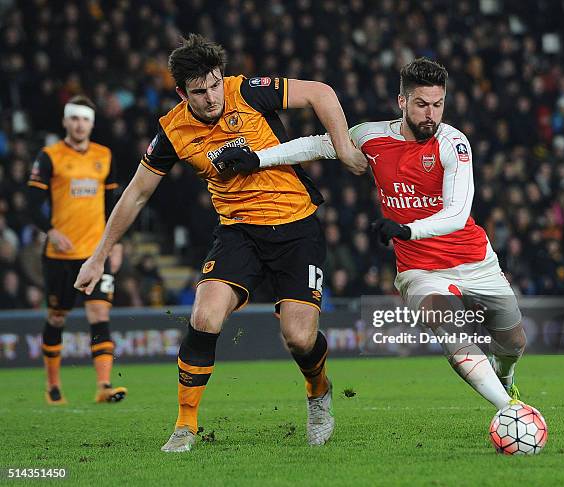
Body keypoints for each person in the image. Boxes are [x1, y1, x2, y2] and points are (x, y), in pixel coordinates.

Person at [74, 34, 367, 452]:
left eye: (214, 84)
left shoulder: (246, 91)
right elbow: (137, 194)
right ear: (181, 93)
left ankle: (318, 391)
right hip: (238, 232)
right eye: (199, 91)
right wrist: (98, 255)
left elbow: (321, 93)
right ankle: (185, 425)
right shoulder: (173, 131)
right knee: (205, 317)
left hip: (296, 226)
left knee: (299, 338)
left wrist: (342, 148)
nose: (212, 97)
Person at [214, 58, 527, 411]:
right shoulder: (372, 136)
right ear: (402, 102)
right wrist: (258, 158)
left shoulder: (453, 144)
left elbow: (457, 214)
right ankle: (510, 410)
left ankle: (506, 378)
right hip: (420, 270)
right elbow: (318, 145)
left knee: (513, 341)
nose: (431, 115)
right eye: (422, 104)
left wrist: (407, 229)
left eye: (438, 105)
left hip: (474, 260)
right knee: (449, 327)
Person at [27, 95, 126, 405]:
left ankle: (104, 385)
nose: (79, 124)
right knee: (57, 316)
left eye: (84, 119)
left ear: (92, 123)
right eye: (74, 118)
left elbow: (115, 205)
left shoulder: (104, 156)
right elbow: (30, 203)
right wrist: (51, 231)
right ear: (65, 122)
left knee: (99, 313)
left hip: (95, 253)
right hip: (59, 255)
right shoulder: (50, 156)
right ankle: (53, 386)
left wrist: (117, 242)